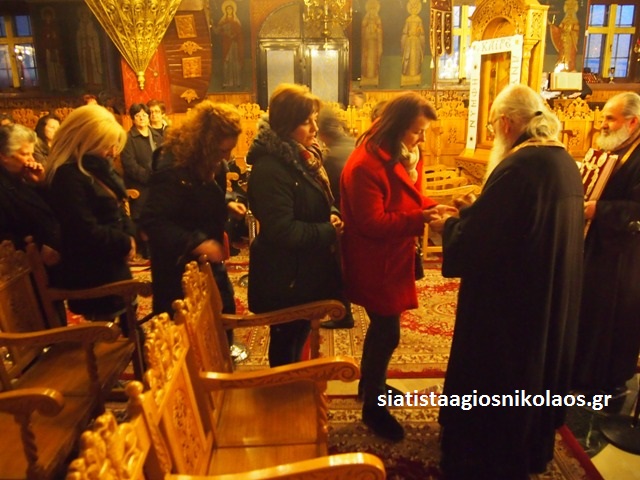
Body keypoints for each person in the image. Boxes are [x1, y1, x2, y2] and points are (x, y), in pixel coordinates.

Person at [429, 84, 584, 478]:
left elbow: (482, 244)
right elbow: (517, 226)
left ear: (506, 123)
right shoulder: (563, 160)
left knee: (499, 379)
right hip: (546, 295)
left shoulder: (519, 167)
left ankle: (483, 458)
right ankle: (529, 449)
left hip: (510, 308)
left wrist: (449, 226)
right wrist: (474, 211)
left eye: (494, 125)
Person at [340, 92, 452, 441]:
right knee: (386, 332)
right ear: (397, 126)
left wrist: (435, 207)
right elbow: (371, 222)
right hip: (376, 262)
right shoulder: (366, 164)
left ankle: (371, 386)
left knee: (384, 330)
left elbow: (409, 197)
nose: (422, 138)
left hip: (392, 256)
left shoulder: (399, 153)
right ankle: (373, 408)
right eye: (417, 131)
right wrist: (421, 219)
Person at [246, 83, 344, 367]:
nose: (315, 128)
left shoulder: (304, 156)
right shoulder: (271, 168)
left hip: (302, 271)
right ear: (286, 125)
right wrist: (328, 230)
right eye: (306, 122)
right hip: (285, 278)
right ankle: (283, 389)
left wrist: (331, 212)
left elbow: (320, 197)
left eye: (315, 120)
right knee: (286, 346)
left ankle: (293, 384)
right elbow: (282, 230)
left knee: (298, 338)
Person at [139, 100, 246, 319]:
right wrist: (197, 243)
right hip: (177, 268)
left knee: (222, 313)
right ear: (206, 143)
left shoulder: (206, 161)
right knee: (191, 328)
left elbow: (197, 197)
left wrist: (225, 203)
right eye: (223, 150)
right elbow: (153, 222)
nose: (226, 157)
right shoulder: (172, 166)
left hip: (205, 263)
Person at [572, 92, 640, 398]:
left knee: (611, 319)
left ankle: (605, 381)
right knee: (588, 311)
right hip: (596, 247)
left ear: (632, 122)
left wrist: (599, 210)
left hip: (624, 257)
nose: (602, 124)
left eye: (610, 119)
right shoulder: (614, 148)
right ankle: (581, 373)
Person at [46, 105, 136, 326]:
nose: (112, 152)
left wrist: (130, 236)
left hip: (111, 263)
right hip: (92, 273)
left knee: (132, 328)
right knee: (112, 332)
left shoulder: (96, 169)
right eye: (107, 145)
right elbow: (83, 230)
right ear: (87, 140)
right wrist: (124, 242)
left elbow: (117, 208)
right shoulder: (67, 176)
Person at [316, 107, 355, 329]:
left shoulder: (332, 157)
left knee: (337, 268)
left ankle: (343, 315)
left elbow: (328, 194)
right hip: (355, 216)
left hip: (341, 216)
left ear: (322, 133)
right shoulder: (352, 144)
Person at [0, 124, 60, 264]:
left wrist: (41, 184)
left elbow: (51, 211)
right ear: (4, 156)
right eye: (25, 154)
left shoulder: (22, 178)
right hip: (29, 263)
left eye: (32, 154)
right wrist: (38, 247)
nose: (32, 160)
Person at [120, 103, 162, 259]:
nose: (142, 118)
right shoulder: (128, 138)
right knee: (144, 207)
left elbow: (164, 157)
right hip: (139, 183)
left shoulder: (157, 136)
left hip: (158, 180)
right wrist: (149, 178)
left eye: (144, 115)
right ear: (133, 119)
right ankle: (146, 245)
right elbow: (130, 165)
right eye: (138, 116)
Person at [214, 0, 243, 88]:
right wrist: (212, 25)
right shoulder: (223, 21)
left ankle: (237, 82)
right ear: (225, 11)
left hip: (234, 45)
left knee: (235, 62)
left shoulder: (236, 21)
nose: (229, 10)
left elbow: (239, 33)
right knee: (226, 61)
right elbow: (217, 31)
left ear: (233, 10)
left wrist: (234, 35)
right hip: (226, 44)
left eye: (230, 9)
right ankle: (226, 82)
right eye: (227, 9)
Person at [400, 0, 426, 87]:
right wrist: (404, 40)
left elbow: (422, 33)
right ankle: (406, 75)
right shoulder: (408, 20)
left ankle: (415, 76)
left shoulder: (419, 20)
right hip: (409, 42)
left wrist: (419, 32)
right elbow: (405, 32)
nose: (414, 10)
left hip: (416, 42)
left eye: (415, 8)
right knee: (407, 58)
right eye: (412, 8)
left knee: (416, 59)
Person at [360, 0, 383, 87]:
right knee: (366, 59)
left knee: (374, 59)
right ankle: (366, 76)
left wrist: (376, 30)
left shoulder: (377, 18)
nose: (372, 12)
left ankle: (374, 76)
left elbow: (380, 29)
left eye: (374, 9)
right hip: (367, 42)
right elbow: (363, 25)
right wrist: (367, 29)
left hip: (374, 43)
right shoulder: (366, 17)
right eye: (371, 9)